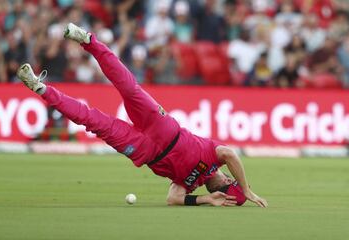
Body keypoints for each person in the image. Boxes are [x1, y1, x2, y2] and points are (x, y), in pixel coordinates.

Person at [17, 23, 268, 208]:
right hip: (162, 127)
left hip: (144, 150)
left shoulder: (190, 184)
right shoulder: (213, 157)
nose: (226, 178)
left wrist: (206, 199)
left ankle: (40, 88)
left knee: (92, 120)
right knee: (127, 87)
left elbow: (173, 199)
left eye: (227, 183)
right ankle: (88, 40)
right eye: (228, 180)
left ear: (223, 183)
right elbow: (230, 154)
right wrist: (246, 190)